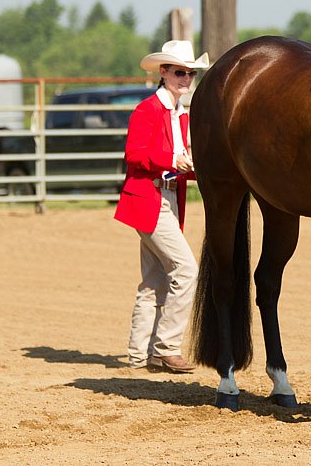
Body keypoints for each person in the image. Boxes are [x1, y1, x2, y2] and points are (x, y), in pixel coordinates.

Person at [114, 40, 209, 373]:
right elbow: (135, 155)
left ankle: (139, 356)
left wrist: (202, 170)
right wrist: (173, 161)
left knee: (153, 280)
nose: (186, 78)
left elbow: (180, 162)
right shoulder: (148, 110)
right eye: (180, 72)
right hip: (150, 199)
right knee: (186, 271)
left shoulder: (182, 115)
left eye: (190, 73)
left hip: (167, 197)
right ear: (164, 73)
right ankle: (167, 346)